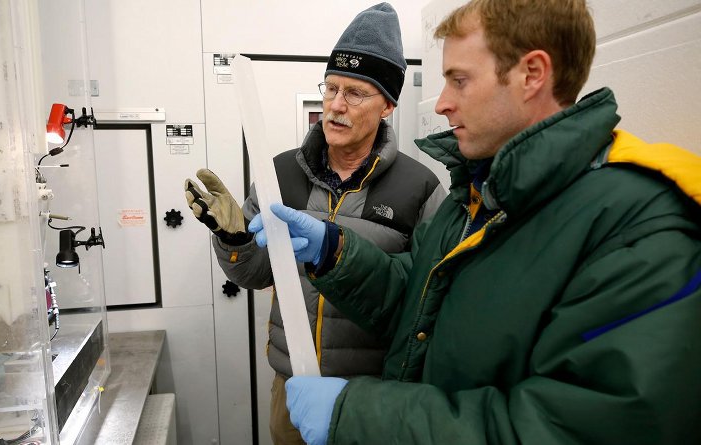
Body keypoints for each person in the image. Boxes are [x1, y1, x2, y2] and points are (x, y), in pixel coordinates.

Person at [248, 0, 701, 443]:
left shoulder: (637, 228)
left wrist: (359, 415)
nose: (441, 103)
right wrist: (335, 252)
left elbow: (581, 426)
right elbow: (416, 297)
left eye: (458, 81)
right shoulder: (476, 199)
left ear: (532, 74)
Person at [183, 3, 447, 444]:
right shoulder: (279, 175)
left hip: (373, 396)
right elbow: (254, 272)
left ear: (387, 105)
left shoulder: (418, 189)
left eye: (355, 93)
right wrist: (232, 239)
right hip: (292, 388)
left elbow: (423, 305)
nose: (336, 106)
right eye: (331, 88)